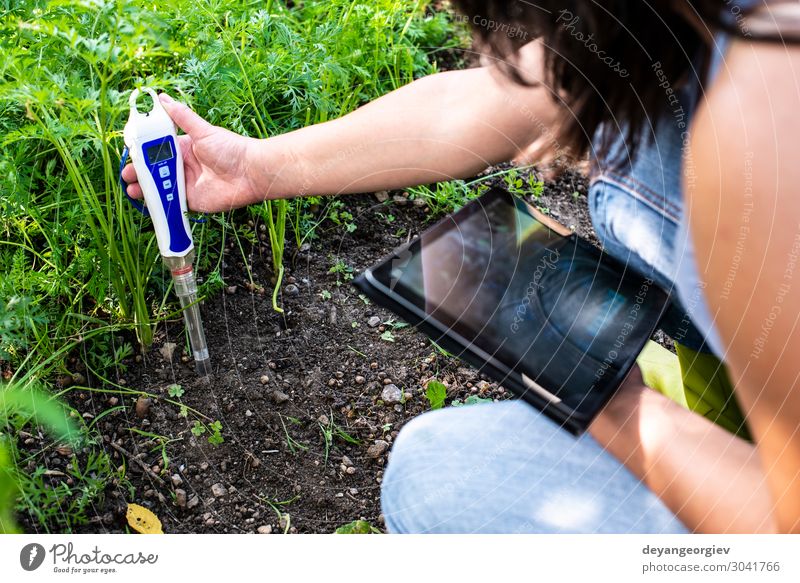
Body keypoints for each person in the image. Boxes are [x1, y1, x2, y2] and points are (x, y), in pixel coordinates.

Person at [123, 0, 800, 533]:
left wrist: (612, 403)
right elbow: (482, 105)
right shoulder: (677, 22)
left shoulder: (756, 133)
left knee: (437, 477)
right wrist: (258, 166)